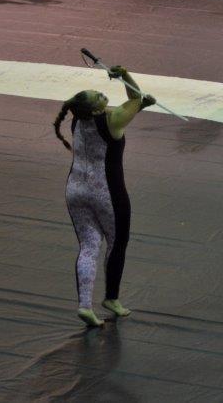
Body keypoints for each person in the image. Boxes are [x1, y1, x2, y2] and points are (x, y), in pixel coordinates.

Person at [54, 66, 155, 327]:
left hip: (75, 189)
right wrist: (126, 76)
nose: (101, 94)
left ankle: (84, 306)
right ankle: (111, 298)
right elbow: (133, 98)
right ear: (96, 110)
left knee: (88, 246)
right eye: (98, 96)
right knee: (117, 242)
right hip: (107, 192)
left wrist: (139, 107)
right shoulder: (112, 119)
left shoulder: (78, 119)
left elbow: (121, 111)